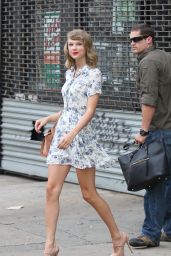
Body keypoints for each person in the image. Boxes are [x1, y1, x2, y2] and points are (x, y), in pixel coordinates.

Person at [35, 29, 132, 256]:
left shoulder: (94, 74)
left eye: (79, 44)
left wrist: (73, 134)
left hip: (81, 139)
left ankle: (118, 236)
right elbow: (70, 108)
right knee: (51, 189)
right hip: (62, 137)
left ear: (86, 47)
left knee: (88, 194)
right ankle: (50, 245)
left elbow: (88, 112)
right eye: (71, 44)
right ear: (67, 48)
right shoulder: (70, 73)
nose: (74, 48)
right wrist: (49, 118)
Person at [129, 23, 171, 249]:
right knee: (168, 182)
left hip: (160, 131)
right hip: (169, 129)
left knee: (155, 182)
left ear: (149, 40)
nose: (132, 44)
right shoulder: (166, 57)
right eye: (131, 40)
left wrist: (143, 131)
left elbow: (149, 99)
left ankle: (150, 233)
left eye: (137, 39)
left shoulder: (148, 62)